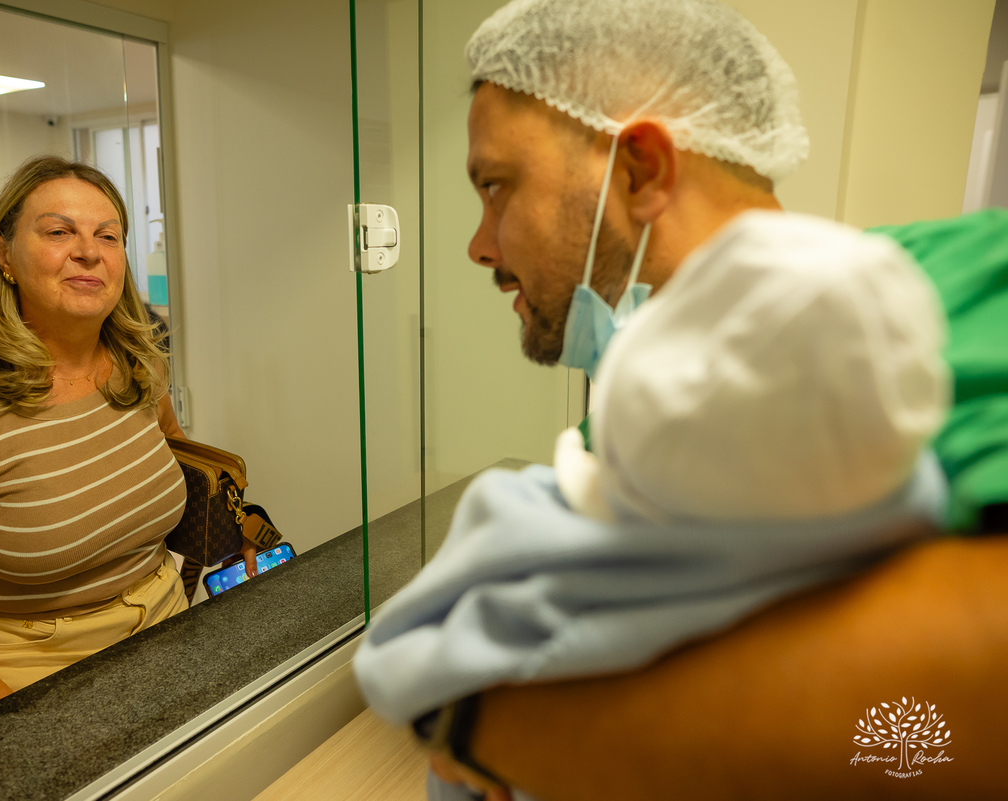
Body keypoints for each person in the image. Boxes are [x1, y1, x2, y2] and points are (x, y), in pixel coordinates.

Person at [355, 0, 1008, 798]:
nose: (479, 245)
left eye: (497, 186)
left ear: (639, 170)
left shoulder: (964, 283)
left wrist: (478, 719)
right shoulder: (632, 422)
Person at [0, 156, 254, 717]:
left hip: (171, 628)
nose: (89, 252)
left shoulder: (140, 366)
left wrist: (236, 530)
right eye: (58, 231)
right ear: (4, 255)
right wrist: (25, 733)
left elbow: (178, 469)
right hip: (37, 676)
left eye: (108, 236)